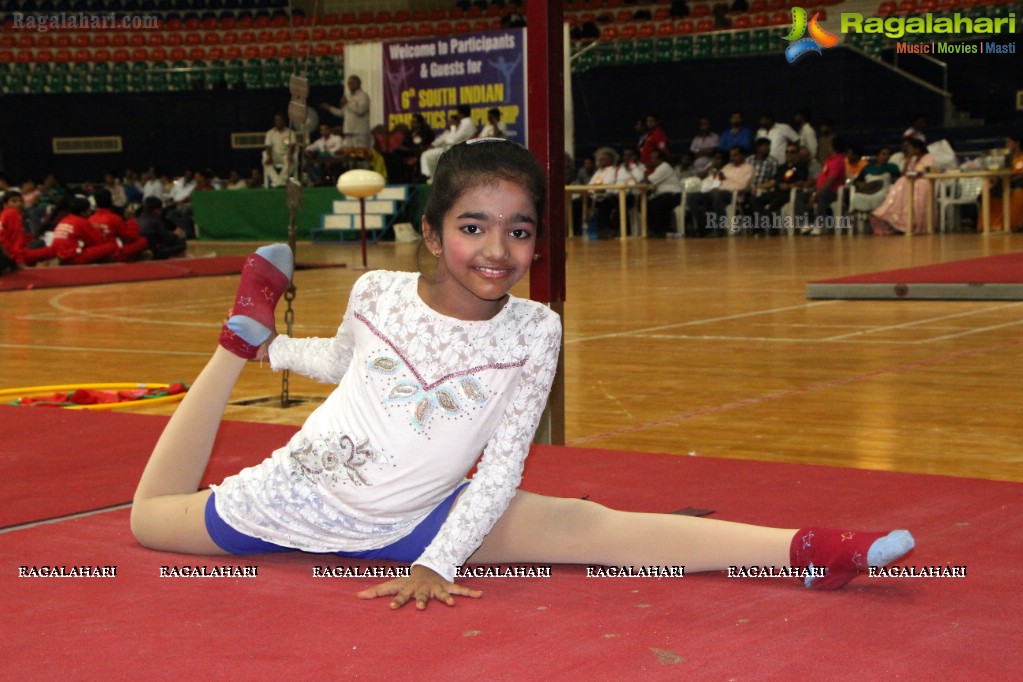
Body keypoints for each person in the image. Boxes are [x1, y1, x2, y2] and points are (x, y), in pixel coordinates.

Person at [129, 139, 915, 609]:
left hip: (419, 521)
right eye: (472, 227)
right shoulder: (376, 291)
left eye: (518, 230)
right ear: (433, 235)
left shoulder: (536, 329)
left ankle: (809, 550)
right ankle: (232, 342)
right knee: (148, 519)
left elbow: (502, 462)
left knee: (590, 530)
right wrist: (268, 351)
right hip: (299, 495)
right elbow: (343, 362)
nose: (496, 250)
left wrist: (438, 560)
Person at [871, 137, 935, 235]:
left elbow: (922, 171)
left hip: (925, 182)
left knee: (910, 184)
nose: (908, 150)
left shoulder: (928, 157)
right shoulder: (913, 158)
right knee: (902, 181)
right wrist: (907, 161)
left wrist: (913, 173)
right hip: (911, 181)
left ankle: (914, 224)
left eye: (910, 148)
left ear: (917, 149)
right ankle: (899, 220)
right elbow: (905, 172)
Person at [52, 196, 118, 265]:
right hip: (74, 258)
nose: (90, 213)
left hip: (61, 257)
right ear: (83, 212)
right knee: (112, 246)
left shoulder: (64, 220)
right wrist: (99, 231)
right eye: (88, 211)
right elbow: (96, 242)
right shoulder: (81, 222)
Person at [89, 187, 149, 261]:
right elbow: (131, 236)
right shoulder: (114, 218)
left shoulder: (90, 219)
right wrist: (131, 220)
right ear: (111, 201)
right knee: (143, 241)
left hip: (97, 253)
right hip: (113, 254)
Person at [0, 190, 56, 267]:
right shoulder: (11, 213)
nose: (19, 204)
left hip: (10, 254)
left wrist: (32, 237)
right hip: (12, 257)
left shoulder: (4, 215)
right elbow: (13, 243)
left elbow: (15, 238)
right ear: (5, 204)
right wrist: (19, 262)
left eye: (20, 201)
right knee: (53, 249)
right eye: (14, 201)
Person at [420, 105, 475, 182]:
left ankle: (428, 177)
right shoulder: (462, 123)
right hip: (449, 148)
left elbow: (455, 139)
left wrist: (445, 141)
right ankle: (429, 178)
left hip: (457, 149)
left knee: (428, 156)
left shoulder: (466, 123)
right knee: (427, 155)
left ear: (461, 114)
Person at [320, 75, 372, 150]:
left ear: (358, 83)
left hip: (360, 132)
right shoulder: (348, 96)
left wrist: (347, 103)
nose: (349, 85)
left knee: (362, 155)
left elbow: (360, 111)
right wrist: (330, 108)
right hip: (349, 131)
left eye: (352, 83)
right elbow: (342, 113)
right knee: (349, 156)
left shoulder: (363, 96)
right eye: (348, 83)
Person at [988, 133, 1023, 232]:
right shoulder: (1007, 159)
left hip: (1019, 185)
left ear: (1017, 144)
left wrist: (1011, 179)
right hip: (1005, 184)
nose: (1006, 144)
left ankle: (1015, 224)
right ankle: (992, 224)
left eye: (1009, 142)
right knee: (990, 193)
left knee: (1017, 193)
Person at [645, 149, 683, 237]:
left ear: (660, 159)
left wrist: (646, 170)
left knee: (654, 205)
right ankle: (656, 230)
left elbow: (648, 180)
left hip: (673, 195)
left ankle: (659, 230)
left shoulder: (664, 167)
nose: (650, 160)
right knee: (646, 204)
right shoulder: (659, 168)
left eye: (653, 158)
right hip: (664, 195)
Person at [137, 196, 187, 260]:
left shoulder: (137, 220)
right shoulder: (155, 221)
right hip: (154, 249)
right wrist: (175, 234)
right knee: (181, 242)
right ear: (156, 210)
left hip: (141, 247)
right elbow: (167, 238)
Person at [263, 113, 294, 188]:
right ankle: (278, 181)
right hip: (274, 155)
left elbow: (293, 145)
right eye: (277, 120)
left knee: (290, 161)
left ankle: (277, 183)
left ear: (283, 121)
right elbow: (268, 146)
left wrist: (290, 154)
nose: (278, 122)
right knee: (265, 160)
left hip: (286, 154)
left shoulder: (290, 132)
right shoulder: (270, 133)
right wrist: (269, 156)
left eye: (280, 120)